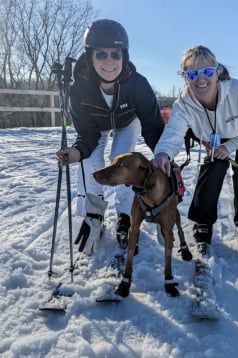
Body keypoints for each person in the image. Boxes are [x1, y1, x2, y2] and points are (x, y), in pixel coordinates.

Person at [153, 45, 238, 277]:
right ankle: (202, 221)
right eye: (192, 74)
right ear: (185, 78)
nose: (201, 79)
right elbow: (173, 134)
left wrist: (231, 146)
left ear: (217, 72)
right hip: (214, 137)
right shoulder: (184, 104)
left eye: (206, 72)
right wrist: (163, 154)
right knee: (213, 168)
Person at [56, 19, 164, 255]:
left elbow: (154, 127)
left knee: (121, 159)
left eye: (115, 54)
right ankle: (94, 214)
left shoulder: (138, 85)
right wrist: (76, 152)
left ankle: (125, 216)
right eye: (101, 54)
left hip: (128, 123)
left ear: (124, 56)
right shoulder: (79, 89)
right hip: (96, 127)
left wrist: (163, 154)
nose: (109, 61)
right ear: (90, 57)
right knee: (90, 161)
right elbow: (87, 134)